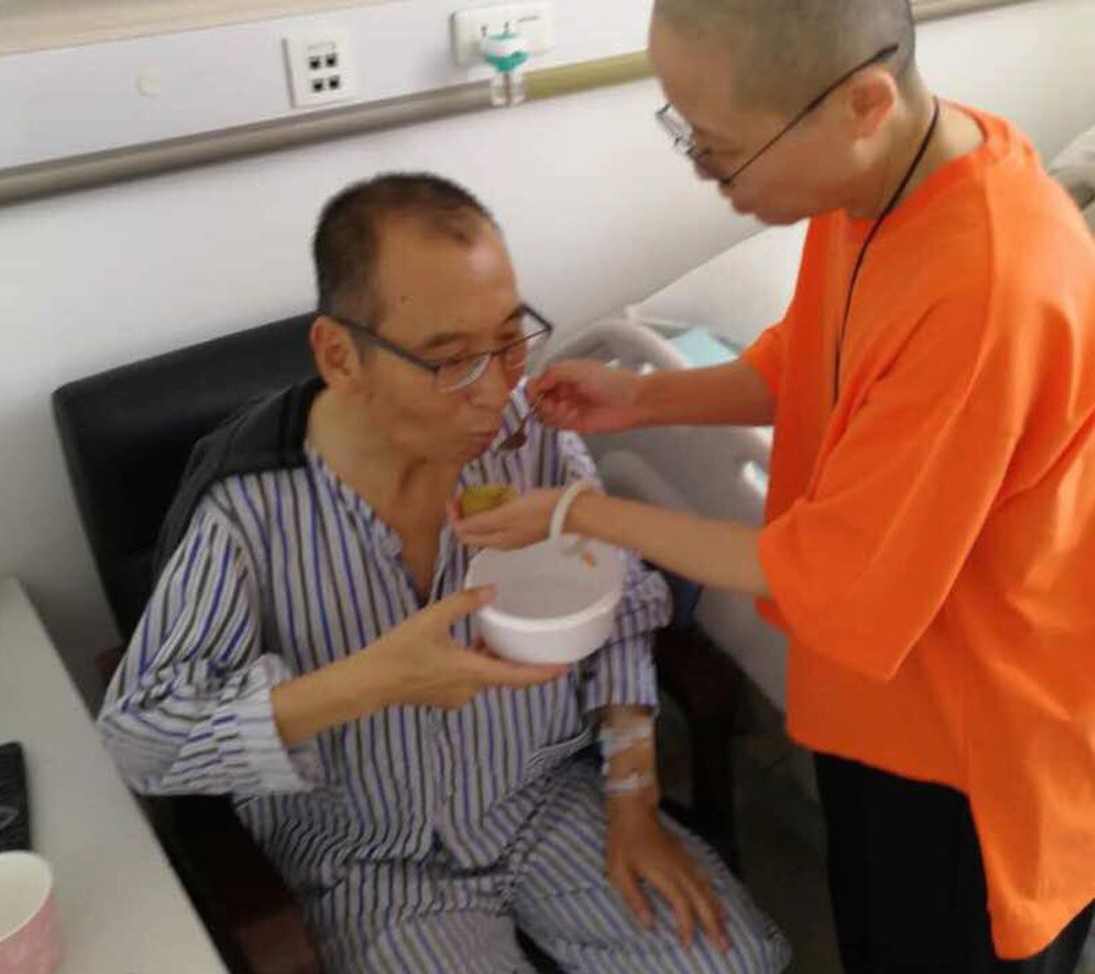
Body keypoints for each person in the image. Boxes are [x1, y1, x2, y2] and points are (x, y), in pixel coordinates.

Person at [452, 2, 1095, 972]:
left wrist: (579, 513)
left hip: (976, 750)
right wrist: (643, 397)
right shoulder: (892, 178)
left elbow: (833, 579)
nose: (710, 178)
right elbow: (815, 353)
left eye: (721, 151)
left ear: (861, 102)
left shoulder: (990, 284)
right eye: (688, 140)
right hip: (878, 700)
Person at [97, 173, 791, 974]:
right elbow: (139, 739)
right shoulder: (245, 509)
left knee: (735, 964)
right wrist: (369, 681)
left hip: (542, 800)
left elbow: (622, 611)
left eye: (508, 339)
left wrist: (633, 802)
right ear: (338, 355)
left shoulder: (527, 434)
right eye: (451, 360)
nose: (497, 391)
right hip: (366, 857)